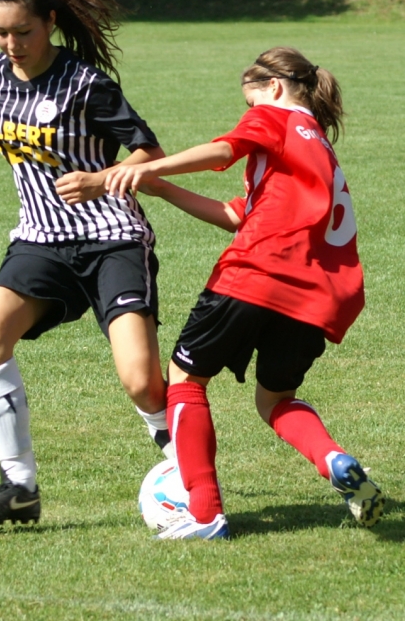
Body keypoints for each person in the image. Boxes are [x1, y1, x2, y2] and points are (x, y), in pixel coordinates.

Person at [0, 0, 173, 526]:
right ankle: (19, 488)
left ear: (49, 22)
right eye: (1, 32)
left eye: (22, 31)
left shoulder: (86, 84)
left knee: (141, 381)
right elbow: (1, 117)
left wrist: (102, 178)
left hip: (110, 238)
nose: (11, 44)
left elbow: (150, 153)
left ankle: (186, 462)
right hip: (41, 240)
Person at [106, 46, 385, 540]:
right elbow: (238, 214)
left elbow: (223, 151)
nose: (250, 114)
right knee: (275, 399)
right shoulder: (316, 143)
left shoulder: (275, 117)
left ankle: (205, 513)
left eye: (250, 103)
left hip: (259, 271)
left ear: (274, 88)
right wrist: (163, 190)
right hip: (318, 293)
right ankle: (334, 459)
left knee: (185, 379)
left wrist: (151, 169)